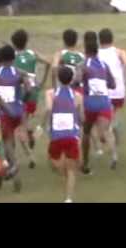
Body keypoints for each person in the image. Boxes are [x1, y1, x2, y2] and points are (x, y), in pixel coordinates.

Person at [0, 45, 31, 193]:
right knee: (10, 141)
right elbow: (29, 88)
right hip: (17, 112)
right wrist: (22, 101)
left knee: (6, 143)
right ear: (13, 58)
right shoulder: (20, 72)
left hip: (3, 113)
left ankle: (14, 165)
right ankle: (14, 174)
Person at [75, 35, 116, 174]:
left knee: (86, 132)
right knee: (104, 131)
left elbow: (77, 79)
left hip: (90, 103)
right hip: (104, 102)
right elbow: (113, 84)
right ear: (97, 51)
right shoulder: (104, 65)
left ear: (86, 51)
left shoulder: (83, 65)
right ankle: (112, 152)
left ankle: (85, 163)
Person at [11, 29, 51, 168]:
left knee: (18, 128)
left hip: (20, 95)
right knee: (24, 121)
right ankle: (31, 134)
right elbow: (48, 62)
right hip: (33, 93)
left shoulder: (12, 57)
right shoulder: (32, 54)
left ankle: (31, 155)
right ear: (26, 41)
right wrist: (43, 82)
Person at [43, 66, 84, 203]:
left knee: (52, 160)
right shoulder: (78, 96)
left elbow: (48, 109)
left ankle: (62, 171)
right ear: (72, 79)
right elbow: (81, 117)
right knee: (72, 170)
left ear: (58, 79)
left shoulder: (51, 93)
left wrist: (44, 124)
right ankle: (69, 198)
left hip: (56, 135)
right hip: (72, 135)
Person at [98, 28, 126, 167]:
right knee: (113, 115)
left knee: (104, 122)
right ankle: (114, 127)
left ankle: (112, 132)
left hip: (104, 91)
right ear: (112, 39)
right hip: (119, 90)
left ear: (99, 40)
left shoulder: (97, 54)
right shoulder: (119, 52)